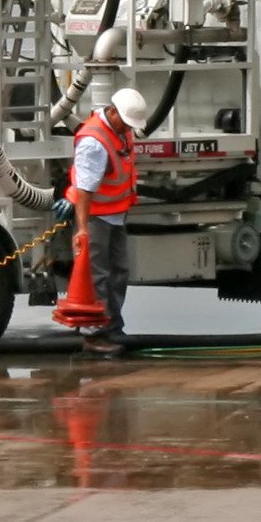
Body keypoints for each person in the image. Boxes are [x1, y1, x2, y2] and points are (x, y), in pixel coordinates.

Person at [67, 86, 151, 353]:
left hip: (115, 215)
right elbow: (85, 189)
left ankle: (112, 325)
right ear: (112, 112)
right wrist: (81, 229)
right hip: (95, 218)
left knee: (118, 272)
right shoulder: (94, 140)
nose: (129, 128)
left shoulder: (120, 133)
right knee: (98, 275)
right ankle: (94, 334)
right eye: (125, 122)